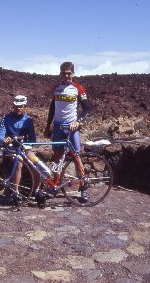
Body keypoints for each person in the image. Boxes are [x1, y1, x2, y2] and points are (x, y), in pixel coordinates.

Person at [43, 61, 92, 202]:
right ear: (60, 74)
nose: (67, 76)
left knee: (76, 157)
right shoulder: (56, 88)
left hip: (72, 128)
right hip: (58, 127)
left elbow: (88, 108)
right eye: (64, 73)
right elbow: (52, 108)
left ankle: (83, 188)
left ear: (73, 74)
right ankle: (56, 185)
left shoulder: (78, 88)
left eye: (69, 73)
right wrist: (48, 126)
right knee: (58, 157)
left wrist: (78, 121)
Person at [0, 95, 41, 199]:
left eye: (20, 106)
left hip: (24, 148)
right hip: (11, 148)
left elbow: (32, 139)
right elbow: (0, 135)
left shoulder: (28, 120)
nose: (18, 108)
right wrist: (4, 140)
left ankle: (36, 191)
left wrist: (27, 146)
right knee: (18, 161)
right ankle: (15, 193)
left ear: (25, 106)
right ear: (13, 106)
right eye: (16, 106)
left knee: (36, 163)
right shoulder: (6, 119)